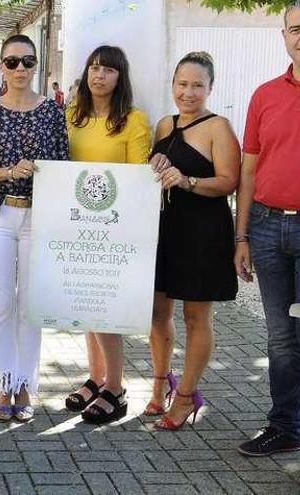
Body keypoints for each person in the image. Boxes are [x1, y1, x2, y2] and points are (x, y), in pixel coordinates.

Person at [0, 34, 69, 422]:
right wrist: (11, 172)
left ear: (36, 66)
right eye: (12, 62)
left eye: (27, 62)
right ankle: (3, 382)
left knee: (31, 304)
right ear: (1, 68)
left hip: (39, 217)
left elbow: (63, 165)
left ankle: (25, 383)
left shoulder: (52, 112)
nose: (20, 70)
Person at [148, 51, 240, 431]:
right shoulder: (163, 125)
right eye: (182, 84)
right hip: (166, 230)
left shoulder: (219, 126)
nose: (188, 92)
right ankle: (159, 383)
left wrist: (187, 181)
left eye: (197, 85)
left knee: (195, 316)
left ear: (210, 88)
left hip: (203, 233)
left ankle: (186, 396)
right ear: (173, 85)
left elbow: (230, 181)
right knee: (157, 314)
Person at [63, 45, 154, 424]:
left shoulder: (133, 120)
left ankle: (115, 388)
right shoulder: (71, 115)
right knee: (84, 303)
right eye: (94, 68)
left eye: (108, 70)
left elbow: (138, 178)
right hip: (75, 223)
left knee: (104, 308)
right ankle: (96, 377)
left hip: (114, 226)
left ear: (121, 77)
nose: (99, 75)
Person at [235, 3, 300, 456]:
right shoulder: (264, 95)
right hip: (266, 226)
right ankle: (285, 426)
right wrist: (240, 236)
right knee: (280, 337)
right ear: (284, 36)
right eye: (295, 29)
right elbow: (249, 170)